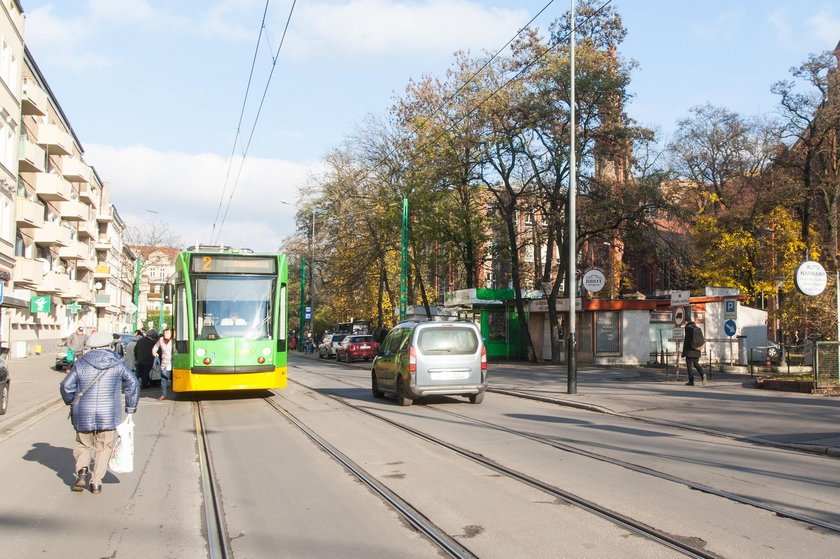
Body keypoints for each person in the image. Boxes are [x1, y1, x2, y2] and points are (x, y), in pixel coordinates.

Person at [59, 332, 139, 494]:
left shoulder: (81, 363)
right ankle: (96, 482)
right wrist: (130, 408)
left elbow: (66, 385)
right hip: (108, 414)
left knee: (83, 444)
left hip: (83, 411)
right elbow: (133, 383)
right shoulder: (118, 363)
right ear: (110, 345)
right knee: (104, 446)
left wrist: (71, 401)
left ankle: (82, 470)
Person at [682, 318, 706, 386]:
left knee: (689, 366)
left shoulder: (688, 328)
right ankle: (702, 374)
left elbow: (687, 341)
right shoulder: (698, 328)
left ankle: (691, 381)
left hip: (689, 350)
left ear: (686, 322)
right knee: (696, 364)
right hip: (697, 349)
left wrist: (684, 352)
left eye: (684, 322)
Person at [152, 328, 173, 401]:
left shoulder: (173, 340)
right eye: (164, 333)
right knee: (163, 379)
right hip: (164, 361)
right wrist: (154, 352)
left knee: (166, 375)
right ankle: (163, 395)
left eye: (167, 333)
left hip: (172, 361)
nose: (165, 335)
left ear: (171, 334)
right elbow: (156, 346)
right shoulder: (161, 340)